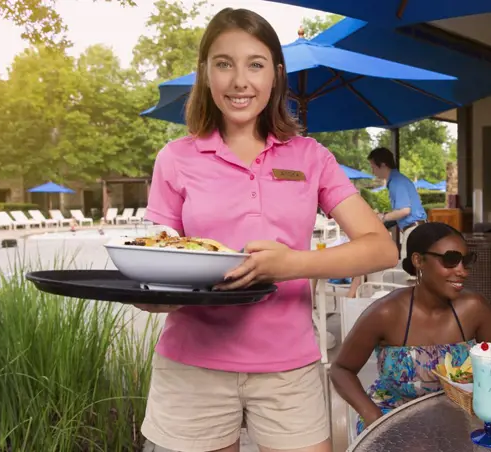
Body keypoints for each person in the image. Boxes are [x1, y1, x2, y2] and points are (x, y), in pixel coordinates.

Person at [134, 8, 398, 452]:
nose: (240, 80)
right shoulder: (175, 158)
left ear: (275, 75)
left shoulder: (310, 157)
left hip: (287, 370)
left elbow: (380, 249)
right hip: (192, 367)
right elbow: (157, 257)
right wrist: (154, 295)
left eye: (255, 64)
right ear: (206, 73)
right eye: (224, 63)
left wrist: (292, 264)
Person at [329, 222, 491, 435]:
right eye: (450, 260)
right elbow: (341, 370)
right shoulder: (386, 313)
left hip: (456, 418)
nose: (461, 271)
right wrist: (373, 417)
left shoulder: (474, 309)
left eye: (466, 261)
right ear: (418, 261)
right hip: (394, 418)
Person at [368, 147, 427, 260]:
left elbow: (404, 210)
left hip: (413, 231)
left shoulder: (396, 182)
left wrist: (383, 217)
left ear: (383, 165)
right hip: (417, 228)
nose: (372, 172)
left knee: (410, 272)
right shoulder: (398, 180)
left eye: (373, 167)